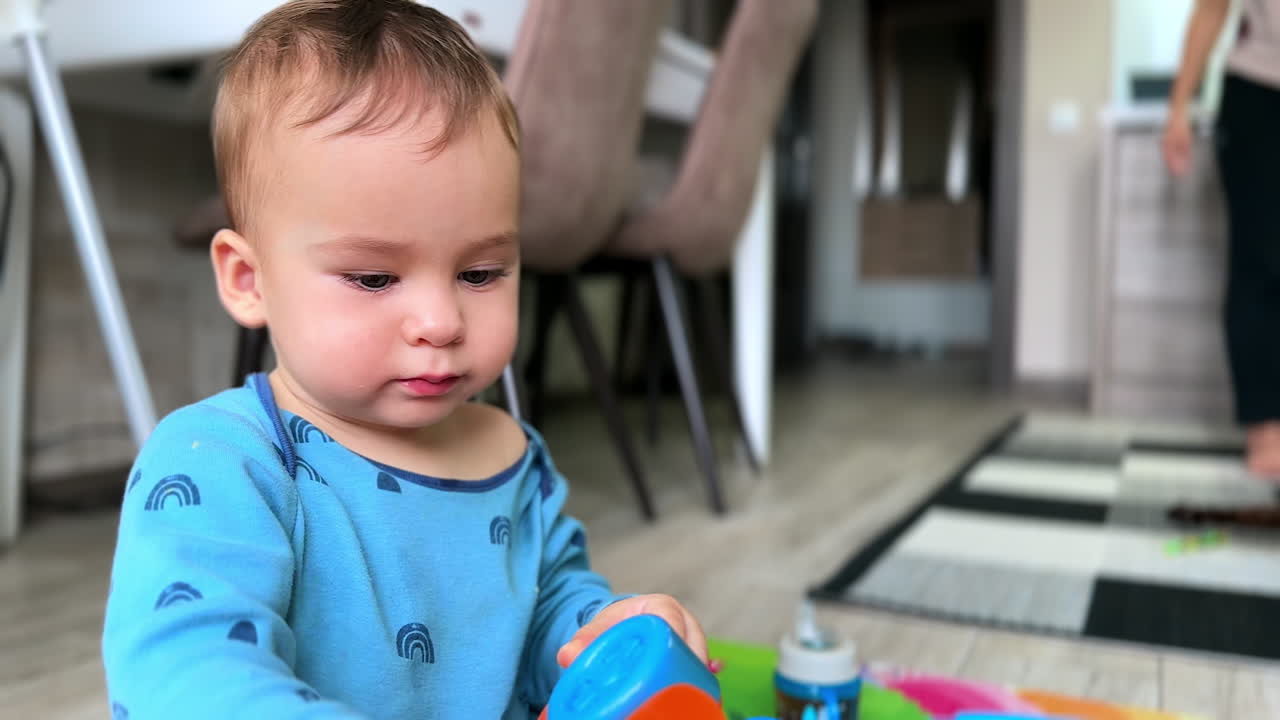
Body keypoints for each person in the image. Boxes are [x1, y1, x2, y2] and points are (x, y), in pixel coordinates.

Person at [100, 2, 706, 718]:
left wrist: (605, 632)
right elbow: (187, 675)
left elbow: (546, 616)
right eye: (374, 278)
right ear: (248, 279)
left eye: (480, 273)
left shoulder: (514, 458)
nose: (442, 322)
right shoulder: (223, 463)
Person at [1164, 0, 1280, 476]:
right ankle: (1266, 427)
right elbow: (1212, 8)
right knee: (1261, 262)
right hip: (1260, 92)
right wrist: (1178, 107)